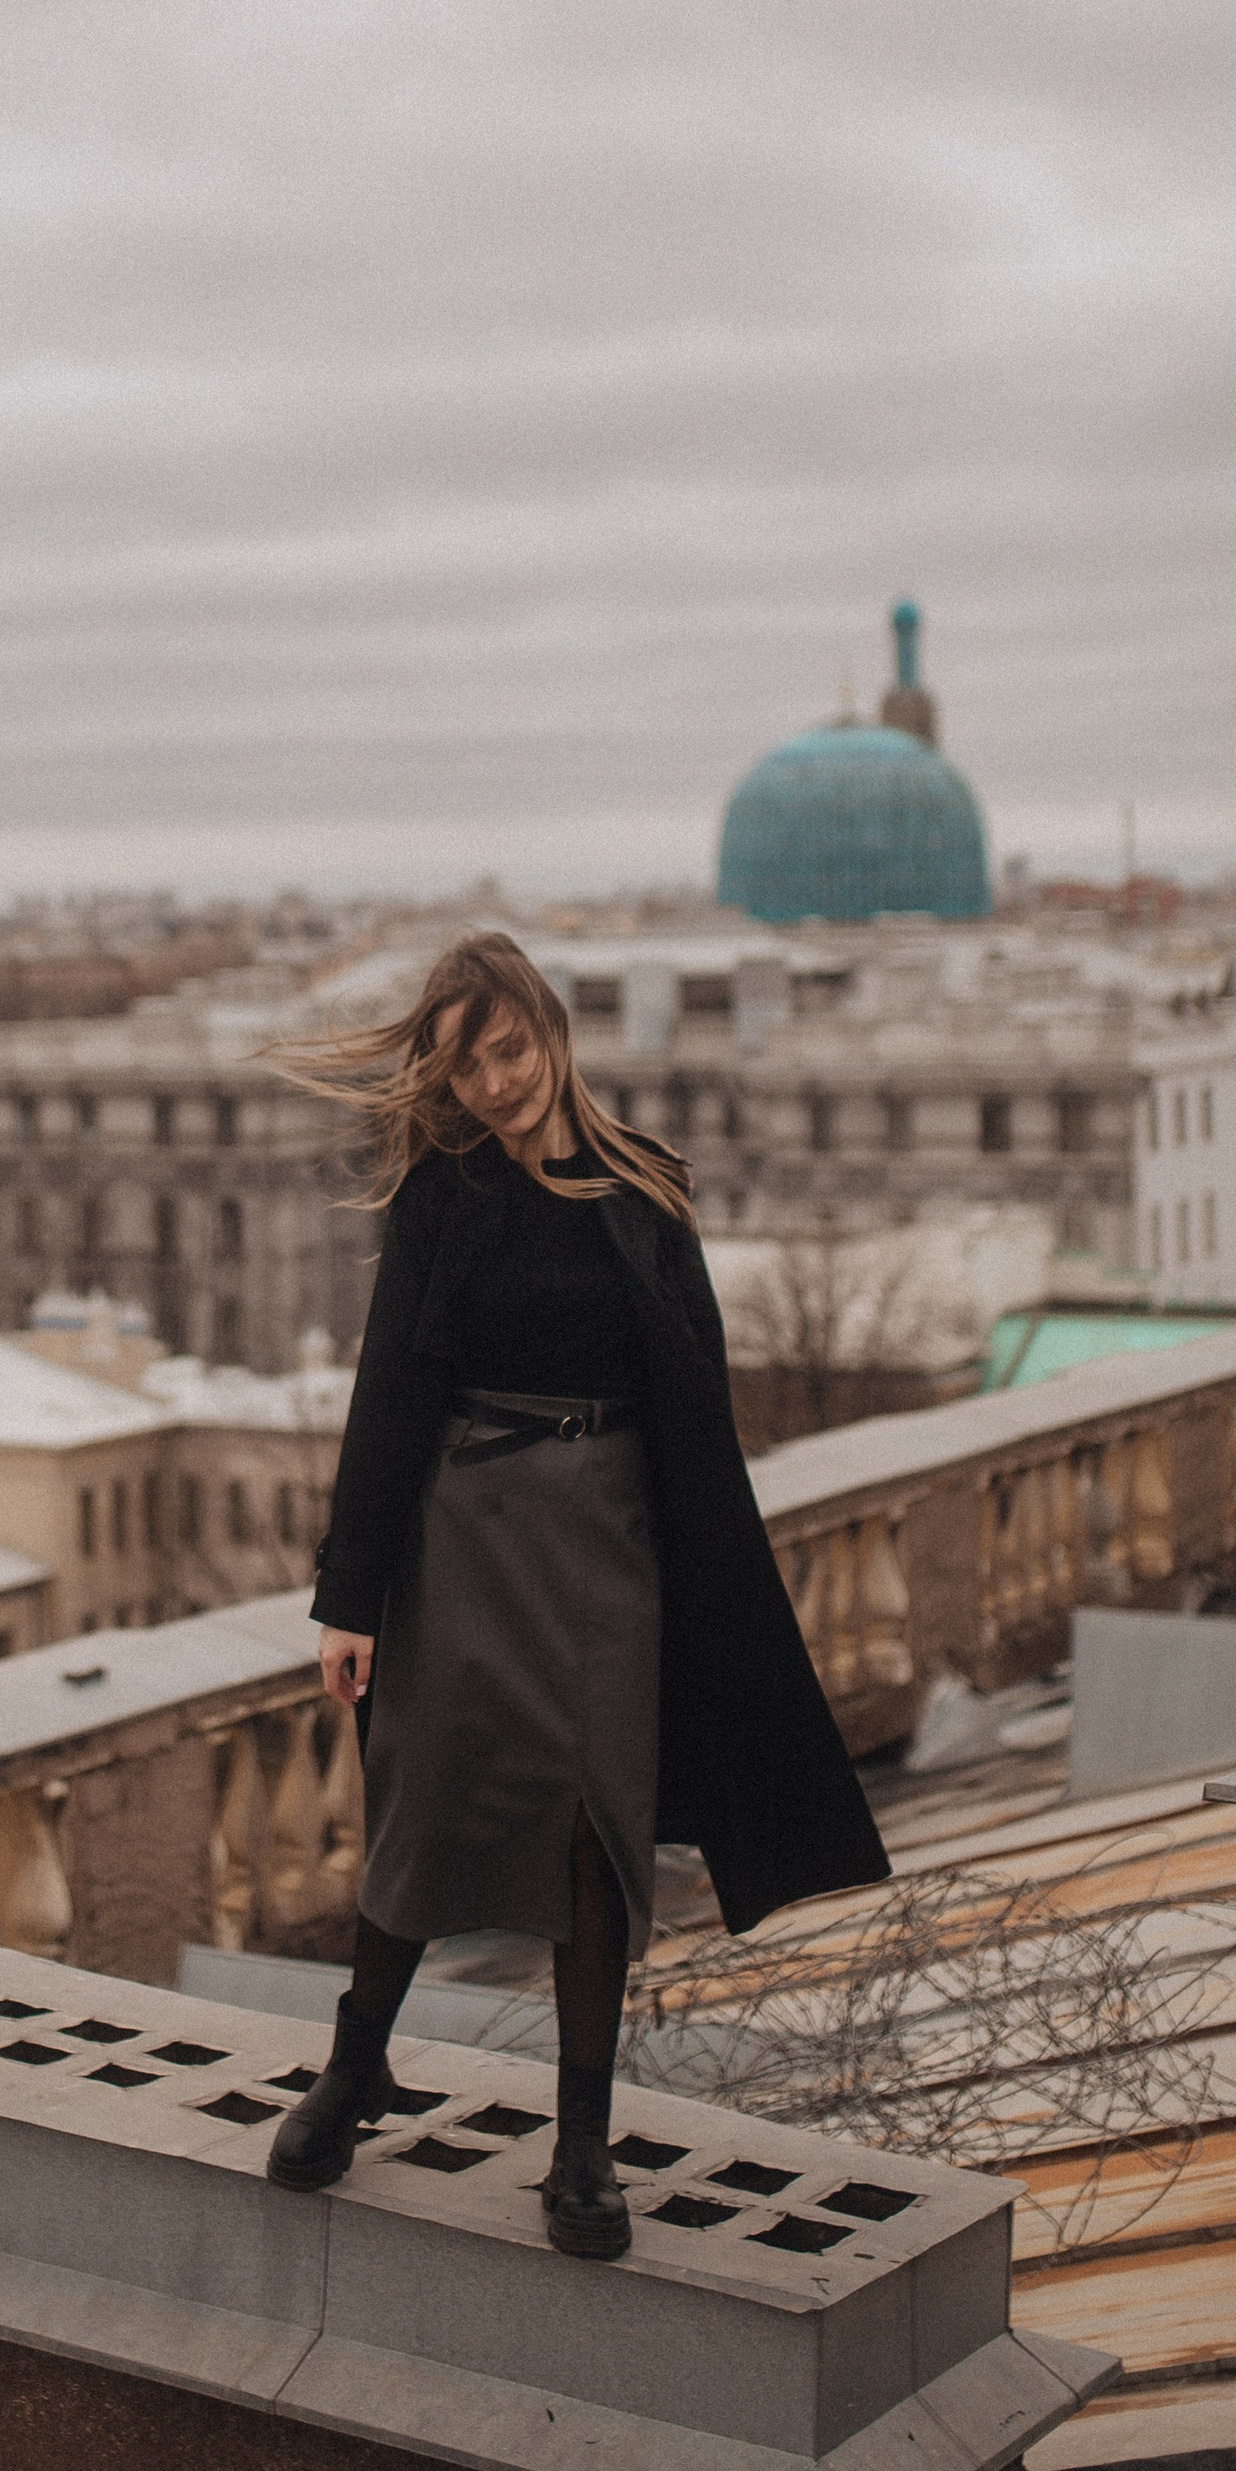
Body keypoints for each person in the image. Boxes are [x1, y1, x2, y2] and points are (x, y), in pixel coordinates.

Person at [268, 932, 888, 2255]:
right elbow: (390, 1393)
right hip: (466, 1537)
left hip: (609, 1546)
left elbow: (699, 1402)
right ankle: (352, 2070)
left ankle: (583, 2148)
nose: (496, 1083)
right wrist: (351, 1593)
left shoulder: (648, 1188)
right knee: (422, 1812)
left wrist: (708, 1588)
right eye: (467, 1067)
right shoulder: (445, 1195)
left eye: (507, 1048)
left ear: (550, 1029)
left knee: (596, 1840)